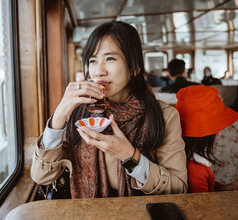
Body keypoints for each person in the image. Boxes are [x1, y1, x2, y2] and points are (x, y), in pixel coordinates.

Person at [31, 21, 187, 198]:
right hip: (85, 215)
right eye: (92, 60)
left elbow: (178, 187)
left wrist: (129, 156)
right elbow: (42, 177)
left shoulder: (164, 116)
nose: (98, 72)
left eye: (110, 59)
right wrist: (58, 117)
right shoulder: (79, 113)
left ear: (134, 67)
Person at [176, 85, 238, 193]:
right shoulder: (196, 171)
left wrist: (222, 187)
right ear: (207, 136)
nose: (218, 133)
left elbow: (208, 188)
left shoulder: (193, 163)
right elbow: (204, 205)